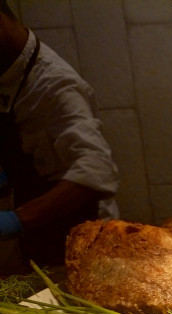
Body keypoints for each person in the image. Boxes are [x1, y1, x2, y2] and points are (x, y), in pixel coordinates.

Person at [0, 0, 119, 272]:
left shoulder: (56, 86)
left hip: (78, 244)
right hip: (35, 244)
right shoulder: (9, 73)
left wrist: (17, 220)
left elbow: (96, 171)